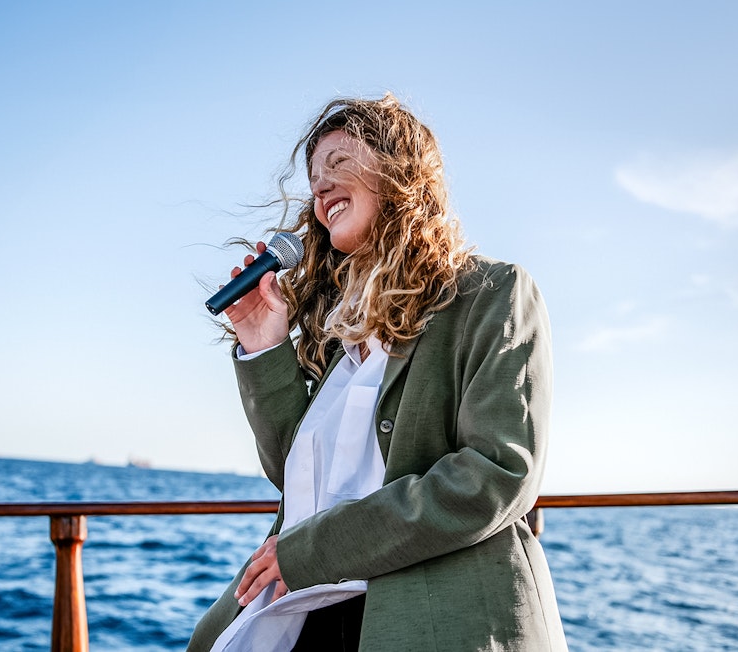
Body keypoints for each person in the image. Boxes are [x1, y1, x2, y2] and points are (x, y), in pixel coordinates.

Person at [188, 94, 567, 651]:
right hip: (309, 612)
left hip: (436, 621)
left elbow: (496, 473)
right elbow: (297, 476)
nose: (320, 190)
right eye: (315, 181)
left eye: (339, 165)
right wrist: (264, 344)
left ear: (399, 174)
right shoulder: (342, 329)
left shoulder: (492, 295)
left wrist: (315, 550)